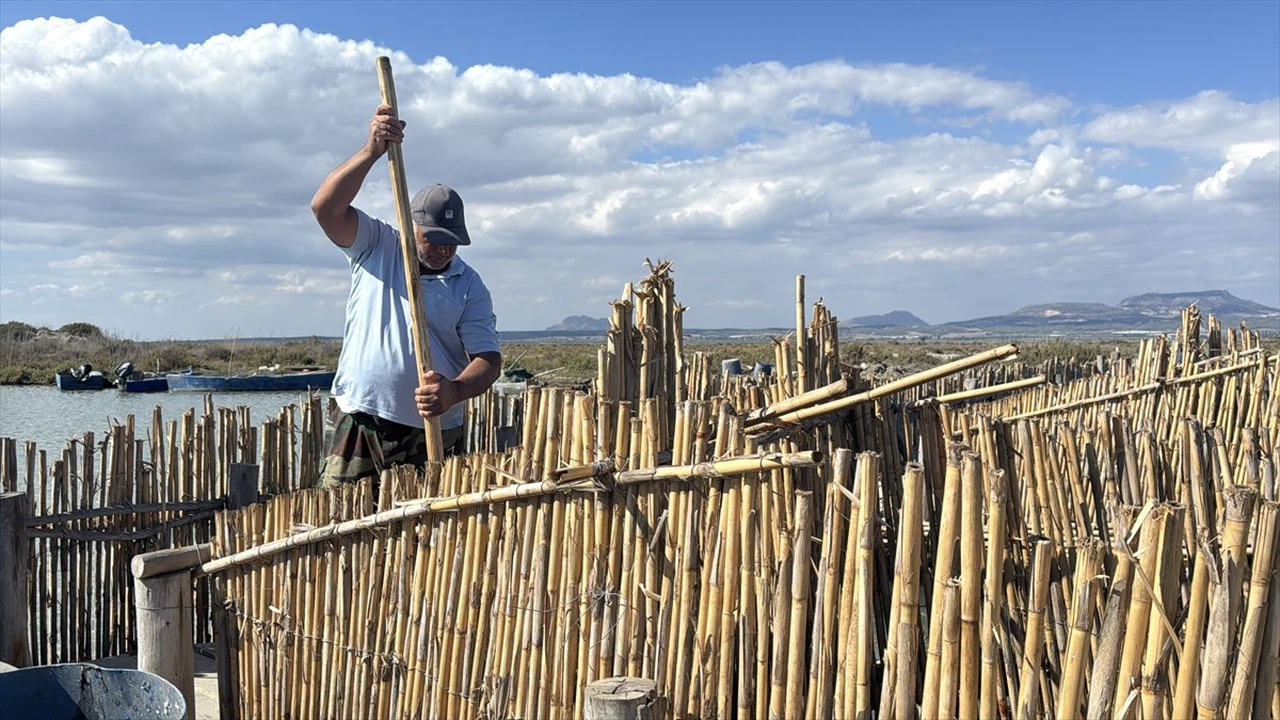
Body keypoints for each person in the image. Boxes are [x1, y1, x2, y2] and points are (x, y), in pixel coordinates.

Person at [310, 103, 502, 487]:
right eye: (433, 239)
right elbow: (326, 208)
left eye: (452, 243)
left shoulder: (468, 283)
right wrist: (371, 151)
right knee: (337, 524)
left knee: (425, 534)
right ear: (410, 225)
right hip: (362, 417)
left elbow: (488, 359)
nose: (444, 250)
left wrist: (454, 391)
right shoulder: (378, 244)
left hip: (432, 429)